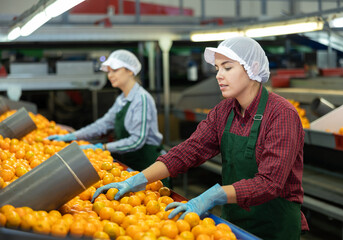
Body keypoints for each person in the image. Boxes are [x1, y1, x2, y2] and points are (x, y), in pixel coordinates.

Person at [91, 37, 309, 240]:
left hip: (275, 225)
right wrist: (137, 179)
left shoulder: (282, 115)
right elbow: (189, 151)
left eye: (227, 67)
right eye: (217, 68)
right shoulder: (224, 111)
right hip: (234, 220)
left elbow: (270, 183)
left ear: (253, 68)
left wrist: (213, 195)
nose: (218, 75)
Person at [48, 49, 164, 172]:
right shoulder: (122, 99)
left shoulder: (141, 99)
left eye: (115, 70)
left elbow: (137, 141)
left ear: (130, 71)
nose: (110, 75)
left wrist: (102, 147)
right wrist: (73, 135)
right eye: (108, 71)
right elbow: (103, 124)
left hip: (148, 163)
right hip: (131, 162)